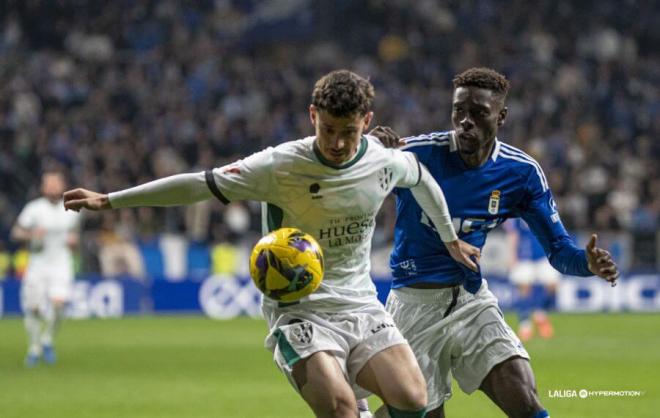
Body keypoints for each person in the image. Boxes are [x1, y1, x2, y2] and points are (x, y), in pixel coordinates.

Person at [63, 70, 480, 418]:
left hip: (359, 303)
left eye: (348, 133)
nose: (336, 143)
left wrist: (450, 239)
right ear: (312, 115)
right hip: (299, 309)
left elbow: (422, 179)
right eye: (327, 130)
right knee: (340, 410)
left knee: (413, 398)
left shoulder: (383, 159)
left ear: (366, 121)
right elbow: (198, 185)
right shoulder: (279, 165)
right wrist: (111, 200)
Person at [372, 67, 619, 418]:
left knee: (527, 404)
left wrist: (586, 264)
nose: (465, 121)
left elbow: (560, 252)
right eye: (459, 111)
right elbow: (355, 179)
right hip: (414, 305)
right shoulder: (417, 154)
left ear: (501, 117)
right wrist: (369, 149)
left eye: (478, 113)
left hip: (472, 301)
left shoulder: (521, 173)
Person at [11, 170, 81, 366]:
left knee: (59, 305)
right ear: (43, 187)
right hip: (38, 264)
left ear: (62, 185)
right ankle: (34, 347)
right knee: (33, 309)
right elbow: (16, 232)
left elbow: (75, 236)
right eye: (48, 184)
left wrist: (74, 242)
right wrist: (32, 235)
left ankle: (47, 339)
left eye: (55, 183)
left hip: (61, 263)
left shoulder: (71, 208)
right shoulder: (34, 209)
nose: (51, 187)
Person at [505, 218, 560, 342]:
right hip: (524, 256)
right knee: (524, 290)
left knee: (553, 285)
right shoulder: (515, 210)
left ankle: (540, 314)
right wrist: (511, 255)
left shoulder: (541, 204)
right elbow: (513, 233)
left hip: (542, 254)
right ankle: (525, 326)